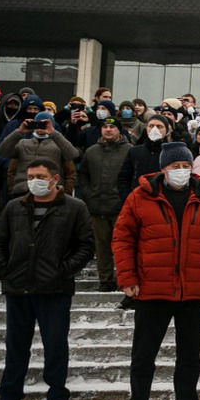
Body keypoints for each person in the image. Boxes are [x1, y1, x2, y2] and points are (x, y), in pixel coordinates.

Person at [113, 142, 200, 400]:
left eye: (185, 165)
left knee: (189, 358)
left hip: (192, 290)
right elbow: (122, 238)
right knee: (143, 358)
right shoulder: (141, 196)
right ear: (163, 168)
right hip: (152, 290)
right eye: (175, 166)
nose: (181, 171)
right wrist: (127, 277)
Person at [0, 159, 94, 400]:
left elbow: (85, 245)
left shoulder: (74, 207)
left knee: (55, 345)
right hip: (18, 288)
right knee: (16, 347)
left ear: (54, 178)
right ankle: (9, 398)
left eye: (40, 175)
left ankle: (57, 399)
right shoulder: (15, 207)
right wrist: (5, 270)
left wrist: (63, 270)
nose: (34, 180)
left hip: (54, 290)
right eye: (31, 175)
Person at [76, 116, 130, 291]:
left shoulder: (129, 150)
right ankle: (105, 281)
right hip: (97, 206)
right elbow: (82, 175)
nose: (108, 130)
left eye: (112, 127)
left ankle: (125, 280)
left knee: (124, 247)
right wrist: (88, 194)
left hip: (121, 207)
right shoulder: (92, 151)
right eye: (105, 127)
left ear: (119, 130)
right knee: (101, 247)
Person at [0, 111, 78, 199]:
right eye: (37, 123)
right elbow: (2, 151)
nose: (40, 127)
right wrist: (19, 132)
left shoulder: (59, 145)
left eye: (44, 124)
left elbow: (73, 155)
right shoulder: (23, 143)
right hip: (23, 190)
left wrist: (53, 133)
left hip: (52, 190)